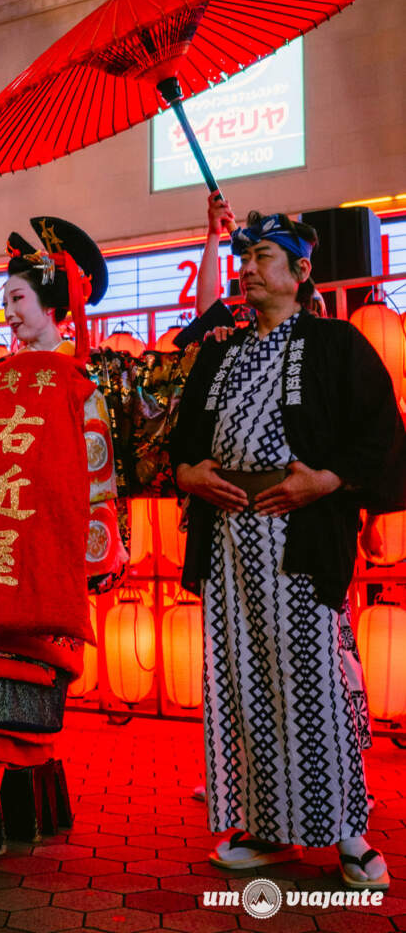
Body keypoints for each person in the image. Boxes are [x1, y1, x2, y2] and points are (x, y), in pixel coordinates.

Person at [169, 208, 406, 892]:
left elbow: (380, 430)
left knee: (314, 685)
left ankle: (347, 834)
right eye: (243, 258)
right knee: (241, 686)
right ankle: (265, 827)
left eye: (262, 257)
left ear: (301, 272)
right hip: (228, 541)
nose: (247, 270)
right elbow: (183, 442)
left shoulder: (335, 343)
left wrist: (326, 480)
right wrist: (188, 474)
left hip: (300, 537)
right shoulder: (219, 349)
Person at [0, 216, 127, 845]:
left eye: (17, 298)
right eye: (5, 299)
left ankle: (5, 780)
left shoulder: (83, 384)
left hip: (46, 554)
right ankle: (18, 785)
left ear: (51, 305)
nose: (7, 311)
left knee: (34, 671)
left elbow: (100, 470)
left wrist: (95, 548)